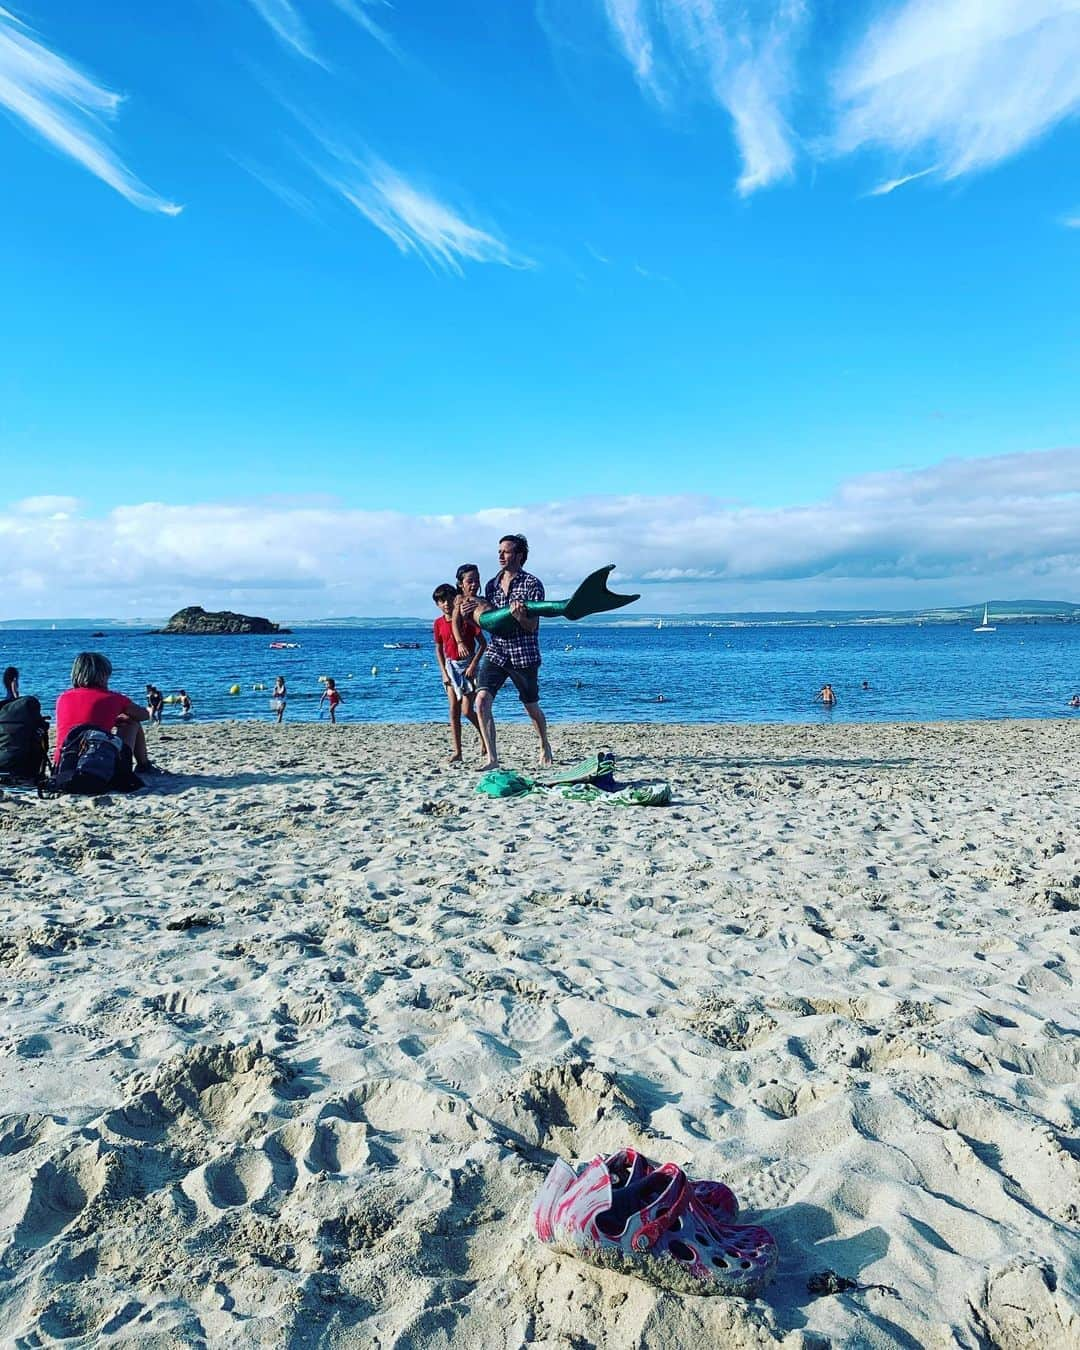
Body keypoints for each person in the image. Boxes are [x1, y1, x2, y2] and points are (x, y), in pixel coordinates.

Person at [464, 533, 553, 770]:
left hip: (524, 653)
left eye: (507, 551)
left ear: (519, 555)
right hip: (497, 650)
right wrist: (471, 617)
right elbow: (489, 622)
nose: (501, 556)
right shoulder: (492, 585)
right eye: (499, 551)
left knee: (531, 707)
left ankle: (544, 744)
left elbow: (532, 626)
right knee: (481, 700)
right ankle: (492, 758)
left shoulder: (532, 584)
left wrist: (520, 616)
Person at [54, 652, 155, 774]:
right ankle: (144, 765)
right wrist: (122, 715)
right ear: (103, 676)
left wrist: (111, 719)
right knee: (132, 722)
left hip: (63, 768)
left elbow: (82, 720)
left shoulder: (63, 697)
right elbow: (143, 715)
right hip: (99, 767)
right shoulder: (112, 698)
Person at [433, 582, 486, 763]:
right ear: (438, 604)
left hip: (468, 667)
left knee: (466, 710)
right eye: (441, 601)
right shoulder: (438, 623)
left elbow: (483, 644)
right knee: (453, 710)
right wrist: (443, 672)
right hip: (451, 668)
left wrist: (473, 665)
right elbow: (439, 648)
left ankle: (484, 737)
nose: (446, 604)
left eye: (448, 599)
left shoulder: (466, 620)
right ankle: (458, 751)